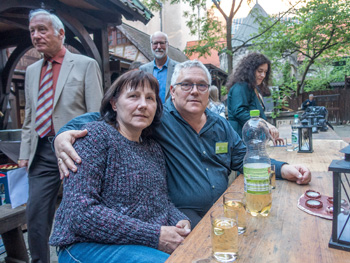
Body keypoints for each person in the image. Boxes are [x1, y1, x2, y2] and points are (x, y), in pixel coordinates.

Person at [54, 60, 311, 228]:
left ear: (209, 93)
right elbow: (105, 116)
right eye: (186, 84)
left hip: (223, 208)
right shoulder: (156, 119)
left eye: (202, 85)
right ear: (172, 91)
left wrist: (283, 168)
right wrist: (63, 134)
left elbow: (244, 157)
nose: (194, 91)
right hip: (183, 216)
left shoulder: (220, 125)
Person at [49, 70, 190, 263]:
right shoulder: (94, 138)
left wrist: (179, 220)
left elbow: (160, 202)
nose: (143, 104)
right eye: (133, 96)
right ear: (114, 104)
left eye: (150, 98)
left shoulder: (153, 148)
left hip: (136, 243)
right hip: (86, 246)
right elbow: (80, 214)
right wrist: (154, 235)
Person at [18, 9, 103, 263]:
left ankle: (81, 258)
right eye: (32, 30)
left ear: (61, 33)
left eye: (42, 29)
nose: (36, 35)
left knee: (81, 212)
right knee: (35, 214)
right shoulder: (32, 70)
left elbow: (96, 114)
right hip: (42, 152)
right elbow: (30, 116)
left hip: (76, 151)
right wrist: (24, 154)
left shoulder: (86, 65)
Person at [226, 52, 280, 142]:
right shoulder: (241, 86)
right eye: (260, 71)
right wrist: (265, 124)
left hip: (249, 140)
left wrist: (269, 135)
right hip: (239, 140)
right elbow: (240, 112)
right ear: (250, 70)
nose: (263, 75)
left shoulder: (253, 88)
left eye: (265, 72)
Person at [140, 32, 178, 103]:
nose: (159, 47)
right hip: (150, 112)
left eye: (162, 43)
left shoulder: (178, 68)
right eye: (155, 43)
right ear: (151, 45)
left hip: (171, 113)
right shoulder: (143, 69)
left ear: (167, 44)